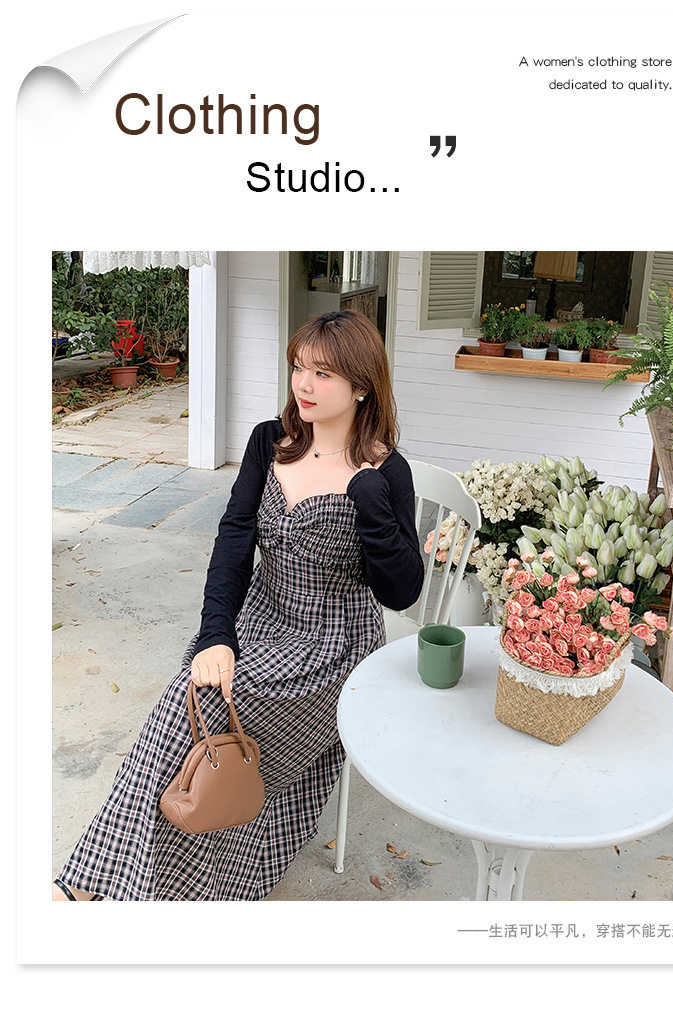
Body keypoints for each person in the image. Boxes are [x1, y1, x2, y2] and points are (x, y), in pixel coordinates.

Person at [52, 309, 424, 901]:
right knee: (192, 696)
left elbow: (401, 591)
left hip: (331, 645)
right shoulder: (269, 441)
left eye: (323, 373)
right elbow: (233, 541)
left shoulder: (387, 471)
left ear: (361, 385)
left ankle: (96, 887)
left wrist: (373, 505)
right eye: (299, 367)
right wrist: (216, 635)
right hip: (258, 618)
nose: (303, 384)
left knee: (197, 708)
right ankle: (112, 880)